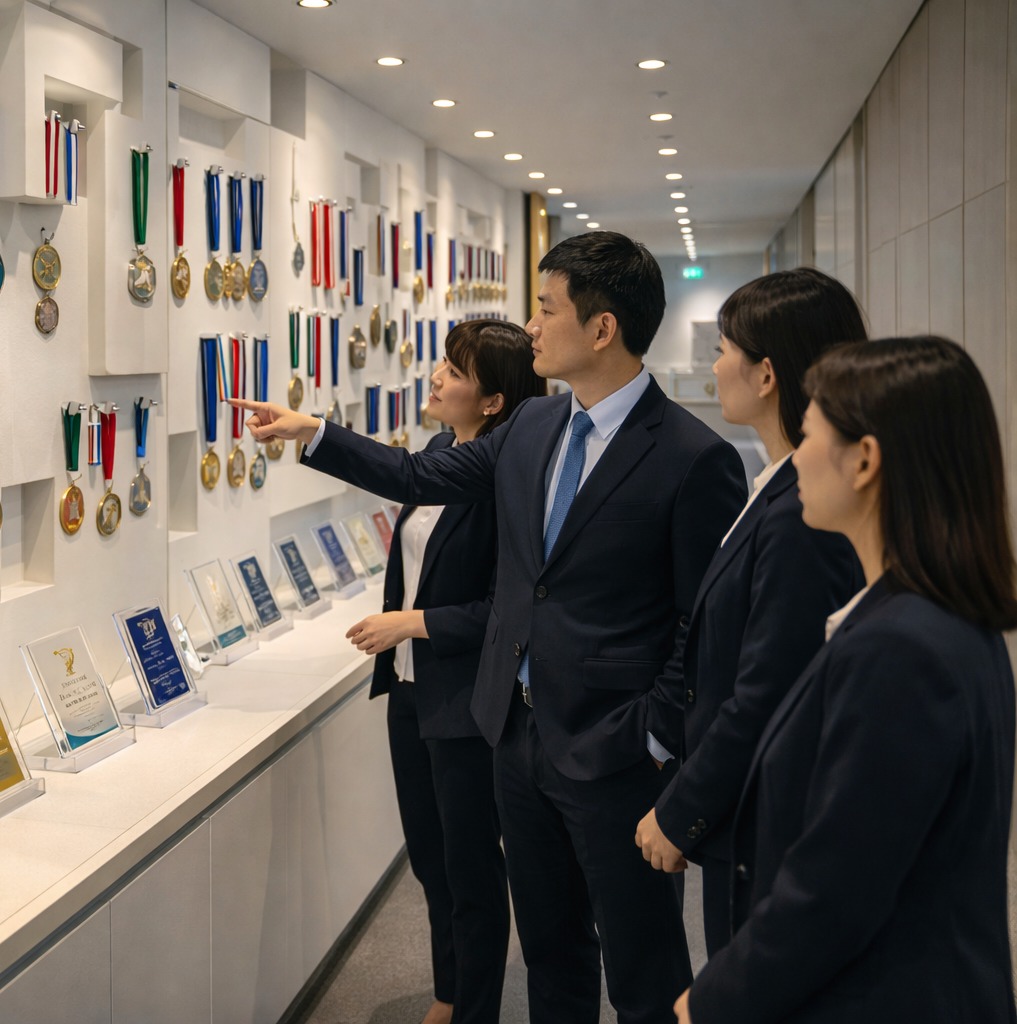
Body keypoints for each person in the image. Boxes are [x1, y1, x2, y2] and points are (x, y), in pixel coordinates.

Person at [234, 231, 746, 1024]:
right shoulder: (535, 426)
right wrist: (315, 433)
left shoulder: (692, 455)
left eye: (546, 309)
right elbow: (420, 473)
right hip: (517, 739)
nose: (531, 326)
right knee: (551, 956)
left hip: (617, 753)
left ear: (602, 328)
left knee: (642, 973)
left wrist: (654, 737)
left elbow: (701, 624)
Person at [674, 335, 1017, 1023]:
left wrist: (711, 1000)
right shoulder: (929, 616)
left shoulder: (903, 648)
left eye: (809, 436)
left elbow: (836, 886)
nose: (796, 458)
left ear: (865, 460)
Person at [633, 268, 865, 954]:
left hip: (769, 814)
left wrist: (683, 809)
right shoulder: (777, 485)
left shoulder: (801, 513)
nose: (714, 365)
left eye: (724, 349)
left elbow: (767, 688)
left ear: (766, 374)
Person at [347, 321, 544, 1024]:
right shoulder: (437, 452)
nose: (435, 378)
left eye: (455, 372)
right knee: (430, 858)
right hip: (409, 687)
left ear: (493, 402)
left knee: (470, 866)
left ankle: (475, 1009)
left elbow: (503, 609)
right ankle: (450, 990)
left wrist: (412, 623)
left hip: (464, 697)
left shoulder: (502, 478)